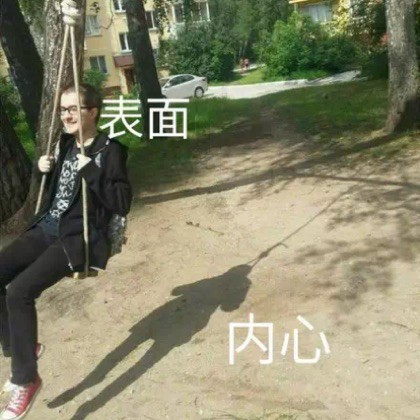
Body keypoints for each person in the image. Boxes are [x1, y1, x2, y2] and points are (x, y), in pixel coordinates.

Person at [0, 83, 132, 420]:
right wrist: (42, 168)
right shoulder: (64, 144)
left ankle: (26, 380)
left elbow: (121, 202)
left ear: (93, 112)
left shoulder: (110, 150)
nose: (66, 116)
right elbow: (56, 192)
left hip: (75, 238)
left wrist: (92, 171)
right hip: (47, 227)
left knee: (18, 292)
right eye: (63, 110)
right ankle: (21, 348)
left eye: (73, 109)